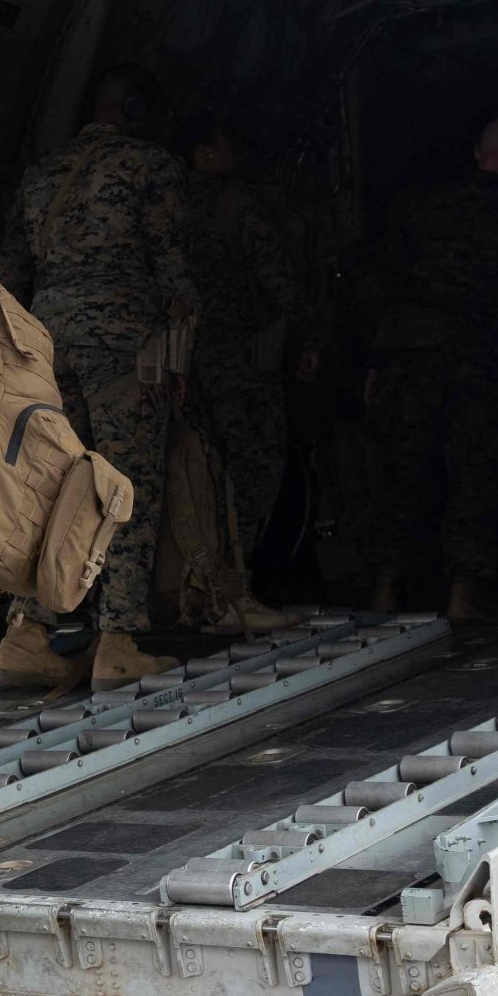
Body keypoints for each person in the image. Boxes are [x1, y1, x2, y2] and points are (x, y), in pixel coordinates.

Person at [0, 64, 197, 691]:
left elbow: (9, 274)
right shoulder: (149, 167)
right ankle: (120, 639)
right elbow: (175, 266)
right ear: (134, 109)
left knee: (52, 486)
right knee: (125, 484)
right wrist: (184, 349)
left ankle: (27, 632)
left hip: (50, 343)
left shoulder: (41, 175)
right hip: (126, 345)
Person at [365, 117, 498, 619]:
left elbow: (381, 284)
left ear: (479, 152)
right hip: (480, 364)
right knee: (474, 477)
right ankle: (463, 592)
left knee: (403, 472)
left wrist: (375, 359)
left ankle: (386, 587)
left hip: (411, 358)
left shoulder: (423, 209)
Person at [177, 120, 306, 634]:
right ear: (206, 151)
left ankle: (193, 591)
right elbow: (277, 277)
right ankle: (234, 590)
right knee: (251, 470)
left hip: (181, 361)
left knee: (194, 476)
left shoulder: (166, 204)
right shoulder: (239, 204)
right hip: (239, 358)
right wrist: (310, 335)